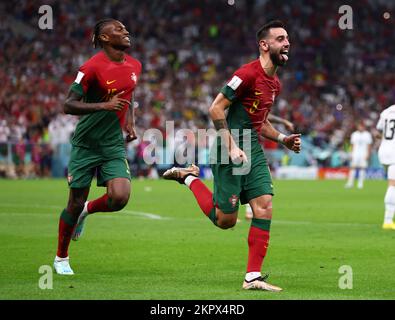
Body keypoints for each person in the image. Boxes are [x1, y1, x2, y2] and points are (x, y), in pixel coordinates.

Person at [163, 20, 301, 291]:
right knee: (226, 221)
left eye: (288, 39)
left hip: (252, 148)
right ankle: (189, 178)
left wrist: (283, 139)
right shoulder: (246, 74)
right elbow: (215, 108)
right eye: (280, 38)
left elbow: (260, 123)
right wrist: (230, 145)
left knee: (265, 205)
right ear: (264, 45)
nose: (287, 43)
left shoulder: (274, 84)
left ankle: (252, 277)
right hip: (230, 148)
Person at [53, 18, 142, 275]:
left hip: (112, 142)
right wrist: (103, 106)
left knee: (120, 197)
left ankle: (87, 210)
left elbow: (130, 90)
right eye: (118, 29)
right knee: (73, 201)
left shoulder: (135, 65)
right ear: (104, 38)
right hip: (86, 144)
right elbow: (68, 104)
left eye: (126, 28)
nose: (126, 31)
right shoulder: (91, 68)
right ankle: (61, 258)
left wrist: (131, 121)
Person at [245, 114, 294, 220]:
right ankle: (243, 210)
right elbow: (263, 117)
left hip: (248, 146)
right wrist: (283, 121)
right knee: (254, 179)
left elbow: (263, 117)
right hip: (240, 145)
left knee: (251, 180)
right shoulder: (244, 104)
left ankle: (248, 211)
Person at [376, 104, 395, 230]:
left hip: (384, 150)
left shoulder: (386, 111)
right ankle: (387, 220)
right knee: (392, 185)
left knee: (392, 184)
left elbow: (379, 129)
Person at [345, 122, 373, 189]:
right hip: (355, 153)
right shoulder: (354, 134)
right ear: (357, 127)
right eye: (359, 126)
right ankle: (350, 183)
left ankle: (360, 184)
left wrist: (368, 154)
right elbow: (352, 145)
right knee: (352, 167)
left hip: (364, 153)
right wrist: (351, 153)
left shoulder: (367, 135)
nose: (360, 128)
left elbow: (369, 145)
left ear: (364, 127)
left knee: (362, 168)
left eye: (362, 126)